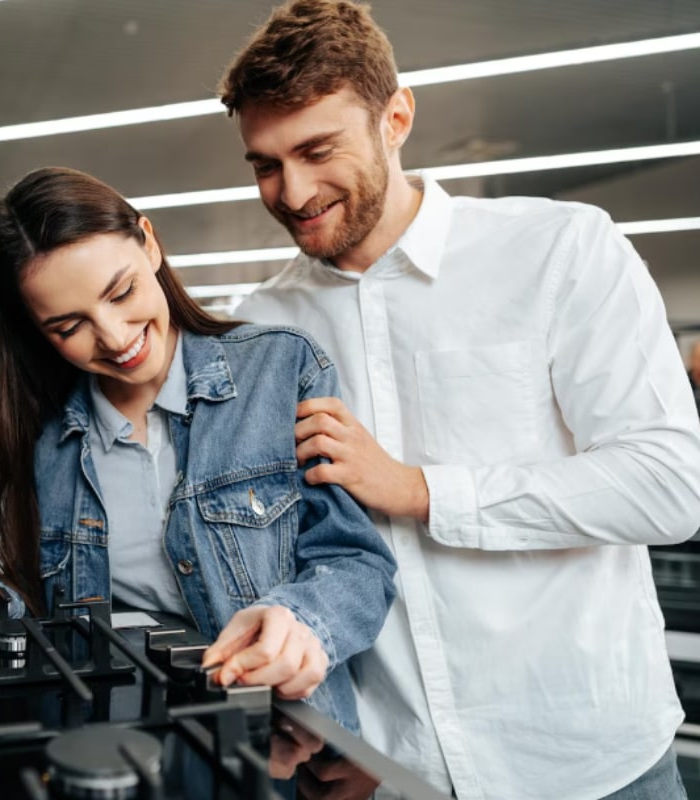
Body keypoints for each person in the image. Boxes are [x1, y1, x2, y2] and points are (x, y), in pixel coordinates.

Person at [218, 2, 700, 799]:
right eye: (265, 164)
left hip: (590, 764)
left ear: (396, 118)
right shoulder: (261, 325)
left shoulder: (560, 249)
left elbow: (670, 484)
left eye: (316, 150)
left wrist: (418, 489)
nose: (292, 191)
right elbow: (288, 550)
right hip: (391, 770)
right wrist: (340, 723)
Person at [0, 166, 396, 735]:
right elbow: (56, 610)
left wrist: (302, 623)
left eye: (122, 292)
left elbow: (357, 563)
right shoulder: (49, 441)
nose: (115, 337)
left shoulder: (280, 369)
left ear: (149, 243)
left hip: (283, 743)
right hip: (119, 748)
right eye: (69, 326)